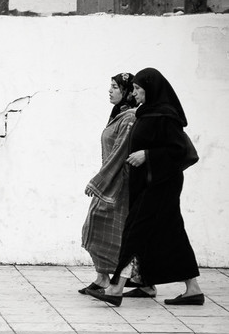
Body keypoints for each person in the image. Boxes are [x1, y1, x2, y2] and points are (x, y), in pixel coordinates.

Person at [86, 68, 203, 307]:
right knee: (171, 234)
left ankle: (116, 288)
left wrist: (147, 155)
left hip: (161, 184)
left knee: (134, 232)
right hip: (149, 183)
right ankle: (188, 288)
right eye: (135, 89)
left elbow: (180, 151)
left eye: (139, 89)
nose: (135, 93)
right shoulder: (146, 113)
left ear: (151, 90)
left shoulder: (165, 115)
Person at [79, 72, 143, 295]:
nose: (110, 90)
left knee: (111, 229)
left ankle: (117, 279)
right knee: (97, 227)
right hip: (112, 180)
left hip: (119, 183)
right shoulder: (120, 114)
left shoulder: (130, 118)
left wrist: (98, 181)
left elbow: (119, 154)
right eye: (111, 86)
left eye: (115, 87)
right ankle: (103, 277)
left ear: (126, 92)